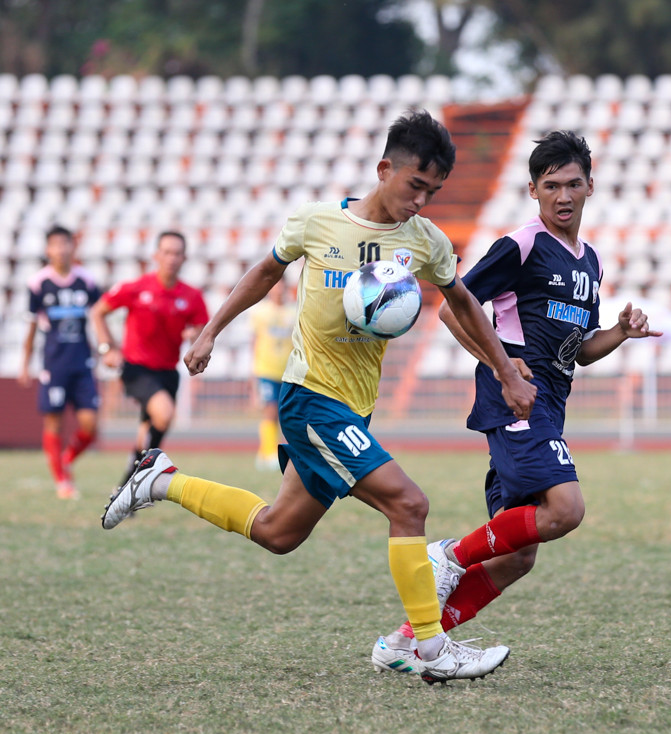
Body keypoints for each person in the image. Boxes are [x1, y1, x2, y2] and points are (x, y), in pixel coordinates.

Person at [99, 110, 537, 684]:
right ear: (384, 169)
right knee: (410, 505)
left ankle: (159, 478)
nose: (420, 201)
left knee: (278, 532)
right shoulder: (317, 222)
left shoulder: (424, 241)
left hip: (354, 405)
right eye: (414, 186)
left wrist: (504, 369)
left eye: (432, 192)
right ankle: (427, 648)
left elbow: (463, 302)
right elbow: (263, 273)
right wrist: (211, 331)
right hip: (310, 399)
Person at [370, 130, 663, 675]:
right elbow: (453, 311)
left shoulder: (589, 262)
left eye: (573, 184)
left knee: (517, 556)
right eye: (551, 185)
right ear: (533, 190)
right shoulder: (521, 245)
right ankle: (448, 556)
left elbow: (579, 352)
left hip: (550, 401)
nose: (563, 196)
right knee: (566, 509)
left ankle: (405, 643)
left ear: (591, 186)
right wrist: (503, 367)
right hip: (517, 402)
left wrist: (620, 332)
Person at [90, 231, 209, 488]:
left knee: (149, 431)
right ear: (156, 255)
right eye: (166, 252)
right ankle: (140, 478)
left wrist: (194, 336)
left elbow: (202, 335)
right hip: (136, 368)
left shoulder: (191, 296)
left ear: (184, 258)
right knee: (164, 413)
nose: (171, 258)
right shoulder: (136, 288)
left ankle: (127, 487)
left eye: (177, 253)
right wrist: (107, 348)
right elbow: (97, 311)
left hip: (168, 372)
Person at [19, 226, 102, 500]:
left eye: (66, 244)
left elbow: (99, 317)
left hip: (82, 363)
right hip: (54, 364)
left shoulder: (86, 281)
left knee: (89, 425)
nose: (61, 249)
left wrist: (106, 347)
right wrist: (25, 363)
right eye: (55, 244)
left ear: (72, 247)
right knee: (53, 422)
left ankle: (65, 458)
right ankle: (62, 481)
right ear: (48, 250)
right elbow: (31, 326)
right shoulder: (39, 283)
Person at [248, 278, 295, 471]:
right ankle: (269, 453)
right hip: (266, 369)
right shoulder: (260, 312)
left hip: (288, 370)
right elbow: (255, 341)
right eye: (275, 286)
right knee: (270, 409)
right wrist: (252, 373)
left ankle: (265, 451)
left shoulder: (294, 311)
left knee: (285, 413)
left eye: (281, 286)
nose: (278, 290)